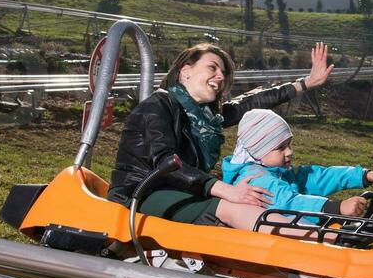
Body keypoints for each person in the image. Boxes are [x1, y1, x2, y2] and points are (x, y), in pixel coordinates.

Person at [109, 41, 334, 230]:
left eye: (224, 73)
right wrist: (227, 191)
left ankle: (319, 234)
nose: (220, 77)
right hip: (139, 193)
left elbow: (250, 103)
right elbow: (165, 161)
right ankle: (321, 243)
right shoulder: (157, 106)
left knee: (253, 201)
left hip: (177, 190)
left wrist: (305, 83)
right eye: (212, 68)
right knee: (233, 206)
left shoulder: (204, 117)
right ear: (185, 71)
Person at [220, 109, 373, 219]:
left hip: (288, 231)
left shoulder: (277, 171)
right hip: (275, 239)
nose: (290, 152)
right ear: (258, 152)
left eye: (289, 144)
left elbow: (318, 177)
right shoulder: (257, 180)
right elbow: (288, 203)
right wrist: (335, 208)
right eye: (281, 148)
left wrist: (365, 175)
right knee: (333, 231)